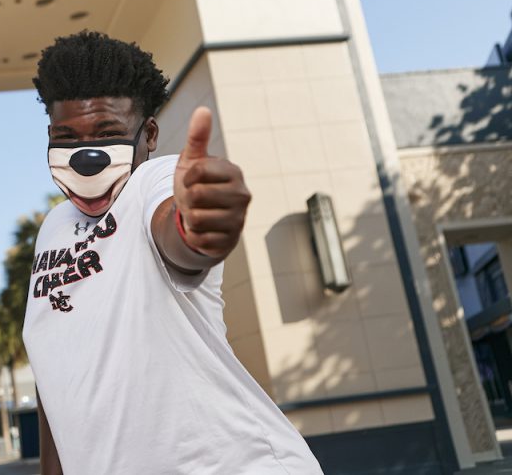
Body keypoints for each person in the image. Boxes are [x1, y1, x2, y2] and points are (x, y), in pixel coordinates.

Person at [23, 31, 323, 474]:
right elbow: (54, 382)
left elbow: (177, 235)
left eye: (107, 133)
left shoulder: (155, 180)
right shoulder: (52, 229)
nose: (86, 154)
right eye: (67, 136)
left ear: (149, 134)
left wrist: (197, 226)